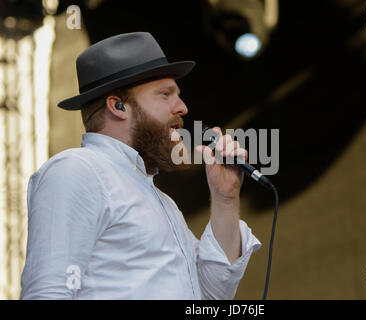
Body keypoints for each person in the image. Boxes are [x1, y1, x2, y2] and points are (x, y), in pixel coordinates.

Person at [20, 32, 261, 299]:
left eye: (178, 95)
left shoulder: (161, 201)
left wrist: (225, 197)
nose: (182, 107)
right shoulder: (76, 170)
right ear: (119, 106)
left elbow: (211, 297)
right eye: (165, 95)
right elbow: (47, 292)